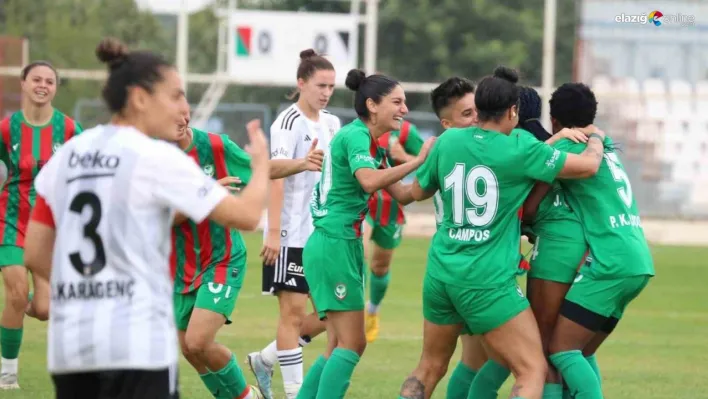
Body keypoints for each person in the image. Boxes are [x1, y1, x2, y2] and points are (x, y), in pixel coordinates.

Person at [22, 37, 268, 399]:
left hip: (72, 345)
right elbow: (246, 216)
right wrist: (261, 166)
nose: (182, 107)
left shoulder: (71, 152)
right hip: (138, 345)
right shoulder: (154, 157)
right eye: (174, 96)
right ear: (139, 98)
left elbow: (35, 251)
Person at [398, 66, 608, 399]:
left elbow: (417, 193)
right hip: (486, 282)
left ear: (478, 110)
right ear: (513, 112)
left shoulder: (448, 140)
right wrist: (595, 138)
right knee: (532, 370)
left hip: (440, 275)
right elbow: (588, 167)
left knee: (430, 366)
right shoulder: (520, 148)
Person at [297, 69, 435, 399]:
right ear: (372, 105)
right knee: (353, 343)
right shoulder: (357, 137)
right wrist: (419, 159)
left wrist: (440, 171)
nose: (405, 109)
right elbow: (370, 182)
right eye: (397, 102)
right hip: (335, 244)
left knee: (336, 343)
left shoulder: (367, 141)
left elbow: (403, 194)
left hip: (338, 244)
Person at [546, 83, 655, 399]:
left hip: (611, 262)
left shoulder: (571, 150)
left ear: (555, 121)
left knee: (560, 349)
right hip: (636, 260)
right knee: (580, 352)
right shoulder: (606, 148)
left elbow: (529, 173)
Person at [248, 49, 339, 399]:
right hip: (290, 232)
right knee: (292, 313)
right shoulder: (287, 122)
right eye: (320, 85)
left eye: (331, 86)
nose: (326, 92)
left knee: (334, 312)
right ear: (301, 83)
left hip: (322, 232)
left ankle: (266, 359)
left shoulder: (332, 123)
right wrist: (272, 232)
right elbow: (272, 173)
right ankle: (295, 393)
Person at [169, 109, 266, 399]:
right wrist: (207, 192)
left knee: (198, 341)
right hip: (179, 264)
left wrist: (301, 163)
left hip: (222, 258)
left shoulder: (215, 146)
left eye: (182, 108)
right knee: (189, 349)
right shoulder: (154, 159)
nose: (179, 117)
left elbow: (260, 170)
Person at [0, 60, 83, 390]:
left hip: (49, 229)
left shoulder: (69, 130)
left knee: (45, 308)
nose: (43, 85)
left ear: (55, 88)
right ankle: (7, 374)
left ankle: (13, 314)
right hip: (10, 221)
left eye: (50, 81)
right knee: (18, 293)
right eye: (36, 79)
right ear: (23, 83)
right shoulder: (7, 129)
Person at [517, 86, 591, 399]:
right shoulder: (565, 143)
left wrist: (523, 223)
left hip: (555, 247)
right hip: (582, 246)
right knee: (570, 346)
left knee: (543, 345)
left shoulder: (524, 145)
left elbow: (529, 207)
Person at [363, 119, 424, 343]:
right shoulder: (359, 129)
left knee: (380, 267)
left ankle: (372, 310)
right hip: (363, 201)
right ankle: (348, 312)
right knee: (358, 252)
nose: (401, 108)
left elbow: (428, 164)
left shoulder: (407, 132)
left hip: (391, 207)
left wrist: (404, 156)